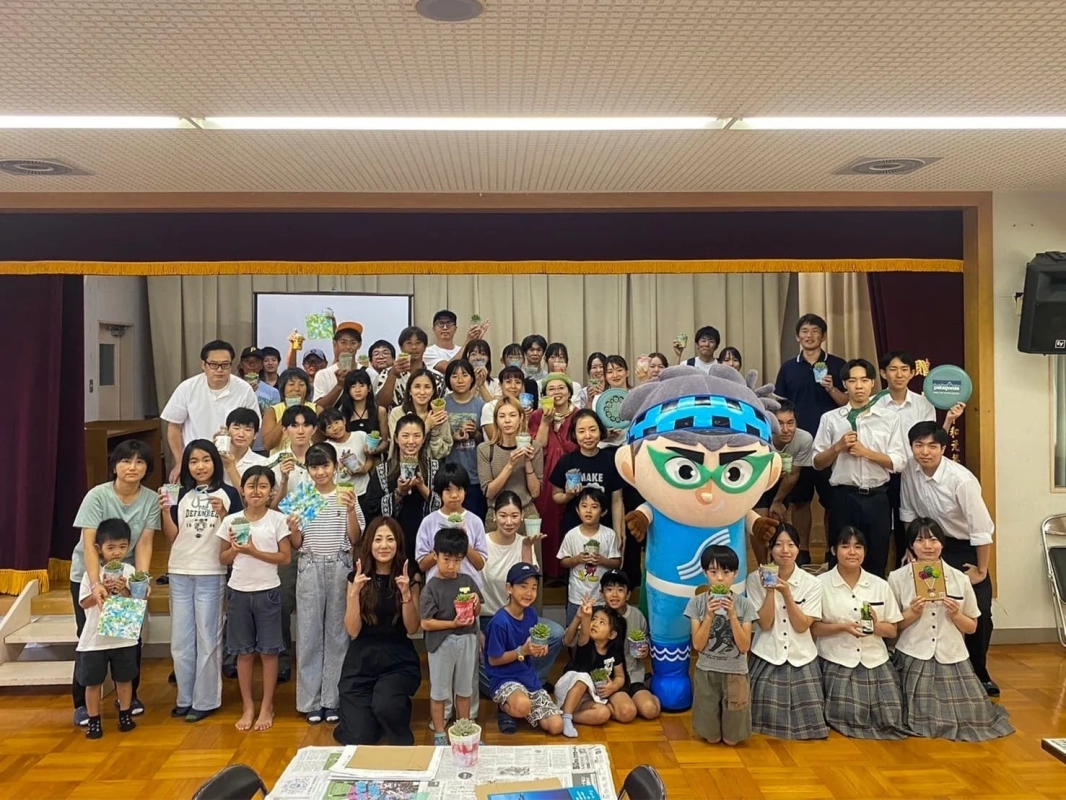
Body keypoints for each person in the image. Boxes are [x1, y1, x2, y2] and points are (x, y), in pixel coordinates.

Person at [615, 364, 782, 712]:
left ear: (771, 470)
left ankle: (718, 686)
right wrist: (640, 521)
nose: (708, 492)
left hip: (725, 589)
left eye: (732, 471)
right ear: (629, 464)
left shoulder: (740, 509)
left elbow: (753, 520)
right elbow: (643, 514)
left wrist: (758, 525)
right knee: (669, 635)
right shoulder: (657, 505)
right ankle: (672, 674)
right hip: (670, 585)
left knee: (724, 638)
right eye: (686, 469)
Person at [888, 518, 1013, 741]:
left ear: (943, 544)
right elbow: (893, 627)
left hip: (952, 656)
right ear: (910, 546)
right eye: (920, 540)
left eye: (933, 540)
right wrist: (911, 614)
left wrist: (956, 614)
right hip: (914, 654)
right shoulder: (897, 578)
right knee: (913, 715)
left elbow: (972, 626)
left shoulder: (960, 578)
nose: (927, 546)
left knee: (971, 717)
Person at [900, 421, 998, 696]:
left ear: (944, 448)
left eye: (932, 446)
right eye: (918, 445)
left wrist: (981, 569)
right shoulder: (910, 470)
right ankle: (932, 670)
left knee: (978, 610)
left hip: (964, 547)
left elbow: (982, 529)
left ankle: (979, 673)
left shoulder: (961, 480)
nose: (925, 452)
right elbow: (908, 513)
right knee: (927, 605)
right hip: (926, 544)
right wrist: (912, 549)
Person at [70, 439, 161, 727]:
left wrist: (139, 581)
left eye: (139, 462)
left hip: (125, 574)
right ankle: (82, 705)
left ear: (147, 468)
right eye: (125, 461)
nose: (132, 467)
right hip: (88, 573)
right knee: (89, 637)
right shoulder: (97, 496)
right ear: (114, 466)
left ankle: (128, 698)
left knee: (128, 635)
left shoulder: (150, 499)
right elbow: (88, 544)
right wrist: (96, 583)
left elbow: (145, 544)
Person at [160, 439, 241, 722]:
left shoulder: (229, 493)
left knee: (209, 637)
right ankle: (185, 697)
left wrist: (223, 514)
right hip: (180, 570)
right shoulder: (180, 493)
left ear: (214, 463)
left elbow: (239, 535)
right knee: (180, 640)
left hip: (211, 573)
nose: (200, 466)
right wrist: (163, 510)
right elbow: (172, 536)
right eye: (193, 461)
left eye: (205, 460)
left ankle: (205, 700)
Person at [286, 443, 364, 725]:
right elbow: (297, 544)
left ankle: (332, 700)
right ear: (307, 469)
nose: (320, 472)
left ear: (335, 466)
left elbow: (355, 539)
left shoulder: (345, 495)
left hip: (340, 564)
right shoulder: (303, 496)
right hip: (309, 566)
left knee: (337, 634)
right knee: (308, 634)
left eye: (325, 465)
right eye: (314, 466)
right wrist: (294, 529)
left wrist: (352, 510)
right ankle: (310, 701)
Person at [477, 491, 564, 733]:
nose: (509, 521)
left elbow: (529, 585)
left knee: (555, 633)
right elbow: (470, 586)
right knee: (486, 665)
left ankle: (529, 684)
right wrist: (475, 629)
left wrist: (527, 546)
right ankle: (506, 699)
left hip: (519, 618)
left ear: (523, 516)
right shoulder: (482, 543)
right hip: (488, 619)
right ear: (494, 516)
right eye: (503, 515)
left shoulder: (524, 542)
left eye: (514, 515)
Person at [811, 527, 909, 739]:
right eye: (845, 546)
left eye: (858, 547)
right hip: (837, 658)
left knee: (891, 717)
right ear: (833, 550)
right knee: (849, 715)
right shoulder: (820, 584)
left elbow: (892, 630)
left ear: (865, 551)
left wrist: (874, 626)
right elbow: (814, 628)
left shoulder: (880, 585)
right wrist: (843, 627)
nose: (852, 552)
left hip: (875, 659)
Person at [813, 359, 907, 577]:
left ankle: (872, 609)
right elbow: (817, 462)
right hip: (844, 497)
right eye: (852, 381)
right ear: (844, 384)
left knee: (876, 557)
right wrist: (838, 447)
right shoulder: (831, 419)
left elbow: (899, 462)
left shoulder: (889, 419)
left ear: (873, 383)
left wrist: (867, 453)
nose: (859, 386)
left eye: (864, 380)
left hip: (878, 499)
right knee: (841, 557)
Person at [217, 466, 292, 732]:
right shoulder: (232, 521)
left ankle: (266, 706)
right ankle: (248, 706)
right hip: (238, 592)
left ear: (271, 492)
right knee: (243, 653)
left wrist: (254, 551)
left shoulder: (277, 520)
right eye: (251, 486)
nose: (256, 492)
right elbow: (222, 558)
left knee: (269, 653)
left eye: (262, 487)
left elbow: (285, 557)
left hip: (268, 591)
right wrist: (237, 551)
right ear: (243, 490)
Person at [335, 518, 422, 745]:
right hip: (362, 659)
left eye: (390, 539)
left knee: (386, 707)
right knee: (360, 736)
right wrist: (354, 595)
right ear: (369, 544)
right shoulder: (357, 576)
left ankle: (392, 708)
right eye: (378, 539)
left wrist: (406, 594)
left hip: (398, 659)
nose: (384, 546)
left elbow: (413, 628)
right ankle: (372, 714)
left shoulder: (409, 575)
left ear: (398, 544)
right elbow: (353, 630)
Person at [877, 351, 966, 567]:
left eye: (904, 369)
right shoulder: (873, 403)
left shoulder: (923, 404)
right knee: (879, 529)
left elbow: (931, 439)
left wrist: (949, 420)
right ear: (883, 373)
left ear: (912, 373)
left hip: (913, 473)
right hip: (881, 474)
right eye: (893, 369)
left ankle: (911, 571)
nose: (899, 375)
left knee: (908, 525)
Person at [415, 463, 489, 719]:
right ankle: (442, 715)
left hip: (468, 597)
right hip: (438, 596)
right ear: (439, 494)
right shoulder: (429, 522)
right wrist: (443, 551)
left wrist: (464, 541)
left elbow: (480, 563)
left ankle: (468, 717)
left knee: (468, 662)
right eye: (447, 490)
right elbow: (421, 562)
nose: (454, 495)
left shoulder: (475, 521)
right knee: (441, 660)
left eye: (459, 489)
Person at [746, 524, 828, 740]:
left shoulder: (812, 583)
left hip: (802, 656)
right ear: (770, 550)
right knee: (760, 719)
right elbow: (764, 623)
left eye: (791, 545)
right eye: (779, 545)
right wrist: (770, 591)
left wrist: (787, 594)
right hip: (767, 654)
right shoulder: (755, 579)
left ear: (799, 548)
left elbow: (802, 626)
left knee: (810, 723)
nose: (785, 550)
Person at [774, 314, 848, 554]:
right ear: (798, 337)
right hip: (798, 444)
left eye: (815, 331)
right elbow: (779, 406)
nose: (809, 335)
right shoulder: (788, 367)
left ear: (823, 336)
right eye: (804, 331)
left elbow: (849, 402)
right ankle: (803, 552)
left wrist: (831, 387)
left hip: (830, 445)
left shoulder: (837, 365)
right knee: (800, 501)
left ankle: (832, 553)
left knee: (832, 503)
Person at [685, 545, 759, 746]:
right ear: (705, 573)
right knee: (712, 738)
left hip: (735, 673)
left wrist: (733, 615)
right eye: (713, 572)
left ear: (735, 574)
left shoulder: (745, 605)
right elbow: (698, 645)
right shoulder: (696, 604)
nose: (720, 578)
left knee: (731, 740)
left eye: (726, 572)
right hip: (707, 672)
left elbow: (744, 647)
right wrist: (709, 616)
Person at [75, 519, 142, 740]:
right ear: (99, 549)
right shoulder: (92, 574)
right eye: (111, 547)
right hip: (95, 639)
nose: (116, 553)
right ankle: (94, 720)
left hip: (123, 637)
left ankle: (125, 713)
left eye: (122, 547)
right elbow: (83, 602)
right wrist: (99, 590)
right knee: (93, 682)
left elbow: (136, 601)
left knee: (124, 679)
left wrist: (123, 590)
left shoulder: (130, 570)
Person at [161, 339, 261, 482]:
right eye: (214, 365)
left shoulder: (244, 390)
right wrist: (179, 462)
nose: (219, 370)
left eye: (225, 365)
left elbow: (251, 430)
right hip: (197, 462)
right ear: (203, 365)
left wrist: (237, 461)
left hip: (230, 461)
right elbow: (174, 426)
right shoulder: (187, 388)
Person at [484, 563, 566, 735]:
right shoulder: (500, 622)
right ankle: (505, 706)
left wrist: (539, 649)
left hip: (528, 677)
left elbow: (532, 646)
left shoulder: (531, 614)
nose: (529, 593)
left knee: (556, 726)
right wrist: (523, 651)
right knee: (522, 706)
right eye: (523, 586)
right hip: (503, 679)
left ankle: (523, 707)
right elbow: (493, 659)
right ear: (509, 588)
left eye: (534, 588)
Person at [420, 527, 484, 745]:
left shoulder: (467, 581)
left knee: (465, 689)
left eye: (457, 560)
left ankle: (464, 729)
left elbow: (477, 613)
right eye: (446, 559)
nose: (451, 565)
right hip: (441, 643)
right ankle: (439, 731)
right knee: (439, 690)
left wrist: (475, 603)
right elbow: (426, 622)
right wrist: (452, 624)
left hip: (467, 639)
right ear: (435, 556)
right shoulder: (431, 586)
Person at [551, 410, 626, 581]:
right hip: (573, 529)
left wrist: (618, 532)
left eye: (592, 429)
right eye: (581, 431)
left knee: (604, 577)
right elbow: (556, 496)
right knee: (576, 576)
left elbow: (616, 500)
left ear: (600, 431)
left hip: (604, 530)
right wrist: (569, 495)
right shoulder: (567, 461)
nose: (587, 435)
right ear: (574, 434)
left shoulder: (610, 461)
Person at [366, 414, 441, 575]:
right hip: (394, 541)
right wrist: (399, 493)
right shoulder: (382, 471)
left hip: (427, 540)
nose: (411, 441)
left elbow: (445, 506)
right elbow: (372, 509)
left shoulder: (435, 468)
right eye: (405, 436)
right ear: (396, 438)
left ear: (423, 439)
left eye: (416, 436)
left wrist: (422, 488)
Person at [753, 400, 815, 565]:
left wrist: (778, 501)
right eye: (780, 424)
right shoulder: (758, 438)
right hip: (759, 481)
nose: (786, 430)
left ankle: (780, 567)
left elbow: (793, 474)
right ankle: (763, 567)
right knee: (761, 524)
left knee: (778, 520)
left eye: (790, 423)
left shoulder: (804, 439)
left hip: (784, 482)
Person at [529, 374, 579, 578]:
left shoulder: (578, 415)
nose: (557, 392)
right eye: (551, 389)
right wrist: (546, 422)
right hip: (546, 473)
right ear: (544, 394)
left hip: (573, 471)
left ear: (569, 392)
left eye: (561, 388)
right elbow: (537, 447)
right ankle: (550, 572)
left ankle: (570, 570)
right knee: (547, 518)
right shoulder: (536, 415)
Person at [556, 598, 628, 737]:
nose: (595, 624)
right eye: (594, 620)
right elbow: (583, 632)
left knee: (603, 713)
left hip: (588, 698)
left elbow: (620, 676)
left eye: (602, 622)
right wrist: (586, 616)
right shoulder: (586, 642)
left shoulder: (613, 653)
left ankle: (566, 716)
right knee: (584, 678)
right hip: (570, 689)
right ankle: (566, 716)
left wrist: (613, 686)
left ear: (612, 634)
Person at [598, 570, 661, 720]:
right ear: (602, 593)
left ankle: (644, 694)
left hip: (634, 675)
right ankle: (605, 704)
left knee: (650, 710)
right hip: (609, 679)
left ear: (628, 594)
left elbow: (645, 638)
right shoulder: (598, 617)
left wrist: (645, 648)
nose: (614, 594)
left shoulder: (636, 615)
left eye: (620, 590)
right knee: (627, 713)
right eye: (609, 589)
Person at [557, 487, 622, 626]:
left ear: (603, 511)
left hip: (602, 598)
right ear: (577, 510)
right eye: (584, 506)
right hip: (577, 597)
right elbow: (563, 561)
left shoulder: (609, 534)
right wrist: (577, 559)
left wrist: (603, 560)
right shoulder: (572, 535)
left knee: (602, 632)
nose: (588, 511)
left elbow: (617, 563)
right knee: (574, 634)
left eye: (594, 507)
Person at [478, 396, 544, 531]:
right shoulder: (485, 449)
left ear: (520, 418)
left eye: (512, 415)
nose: (507, 421)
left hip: (527, 514)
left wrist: (527, 461)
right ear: (496, 420)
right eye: (502, 416)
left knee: (530, 552)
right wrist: (510, 465)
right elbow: (489, 492)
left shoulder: (535, 446)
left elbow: (535, 492)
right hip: (497, 515)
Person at [444, 359, 487, 518]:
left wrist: (475, 433)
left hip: (475, 476)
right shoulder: (442, 405)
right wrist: (453, 438)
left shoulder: (481, 406)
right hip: (449, 475)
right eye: (454, 376)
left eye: (465, 375)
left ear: (472, 378)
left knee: (475, 522)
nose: (460, 380)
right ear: (448, 379)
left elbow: (488, 442)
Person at [376, 326, 445, 410]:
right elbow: (381, 404)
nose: (414, 347)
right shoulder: (387, 373)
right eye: (409, 343)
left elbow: (440, 407)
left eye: (418, 343)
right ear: (401, 348)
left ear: (425, 347)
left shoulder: (437, 377)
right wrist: (392, 375)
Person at [260, 367, 319, 454]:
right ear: (283, 388)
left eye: (301, 385)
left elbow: (321, 441)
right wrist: (287, 413)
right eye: (291, 384)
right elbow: (267, 445)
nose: (296, 389)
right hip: (281, 461)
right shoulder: (272, 412)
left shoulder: (317, 409)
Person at [221, 408, 270, 488]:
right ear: (226, 430)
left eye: (248, 430)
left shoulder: (262, 463)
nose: (241, 434)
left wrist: (231, 467)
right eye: (236, 428)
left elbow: (251, 497)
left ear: (255, 435)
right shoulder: (213, 457)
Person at [481, 365, 530, 441]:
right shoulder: (490, 407)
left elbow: (529, 438)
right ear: (500, 385)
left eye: (517, 382)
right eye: (508, 382)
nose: (513, 386)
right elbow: (494, 438)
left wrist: (526, 420)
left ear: (522, 386)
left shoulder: (526, 408)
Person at [239, 346, 281, 414]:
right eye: (247, 361)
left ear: (261, 365)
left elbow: (275, 417)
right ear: (241, 364)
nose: (251, 365)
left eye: (256, 361)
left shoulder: (273, 392)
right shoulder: (233, 387)